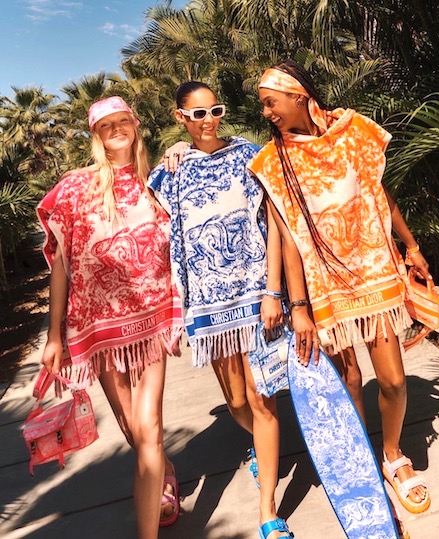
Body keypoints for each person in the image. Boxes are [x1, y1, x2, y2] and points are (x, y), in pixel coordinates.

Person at [247, 60, 432, 521]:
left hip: (373, 271)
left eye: (271, 102)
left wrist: (411, 246)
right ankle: (365, 470)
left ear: (299, 96)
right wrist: (298, 306)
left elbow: (379, 193)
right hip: (324, 287)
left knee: (392, 380)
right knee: (348, 380)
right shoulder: (273, 161)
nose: (266, 112)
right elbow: (288, 237)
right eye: (263, 105)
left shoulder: (353, 132)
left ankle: (392, 453)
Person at [149, 82, 293, 539]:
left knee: (262, 400)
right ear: (180, 118)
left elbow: (274, 222)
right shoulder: (169, 173)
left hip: (256, 297)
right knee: (237, 403)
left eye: (215, 110)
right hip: (209, 311)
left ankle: (268, 508)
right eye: (197, 114)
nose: (208, 120)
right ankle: (259, 449)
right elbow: (152, 233)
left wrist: (274, 291)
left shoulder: (249, 155)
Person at [37, 96, 183, 539]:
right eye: (107, 125)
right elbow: (60, 264)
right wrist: (54, 335)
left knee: (149, 428)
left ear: (135, 125)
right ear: (96, 135)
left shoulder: (157, 181)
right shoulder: (75, 187)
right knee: (132, 428)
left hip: (152, 321)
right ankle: (163, 476)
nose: (117, 129)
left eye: (123, 121)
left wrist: (180, 147)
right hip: (97, 327)